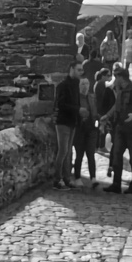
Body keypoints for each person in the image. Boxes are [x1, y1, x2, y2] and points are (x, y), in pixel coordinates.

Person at [100, 61, 132, 194]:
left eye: (116, 77)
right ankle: (116, 184)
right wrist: (107, 116)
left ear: (121, 78)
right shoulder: (120, 89)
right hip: (120, 127)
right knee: (116, 155)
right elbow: (117, 105)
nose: (115, 79)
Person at [53, 60, 83, 189]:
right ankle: (57, 179)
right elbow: (61, 104)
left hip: (72, 121)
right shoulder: (63, 85)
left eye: (81, 70)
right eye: (78, 70)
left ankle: (66, 178)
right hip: (63, 121)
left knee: (69, 151)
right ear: (71, 69)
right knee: (63, 151)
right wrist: (77, 110)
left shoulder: (76, 85)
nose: (81, 72)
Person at [73, 73, 99, 184]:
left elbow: (95, 112)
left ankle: (93, 178)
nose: (85, 86)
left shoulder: (91, 97)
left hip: (91, 129)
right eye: (82, 83)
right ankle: (77, 177)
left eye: (87, 83)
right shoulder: (76, 98)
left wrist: (101, 118)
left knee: (91, 154)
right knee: (79, 154)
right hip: (79, 129)